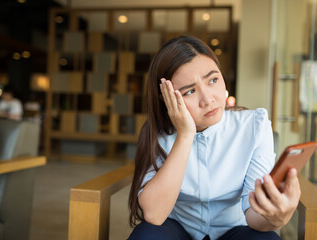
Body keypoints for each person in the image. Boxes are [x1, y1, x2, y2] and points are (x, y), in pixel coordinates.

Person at [127, 36, 300, 240]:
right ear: (167, 99)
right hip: (178, 228)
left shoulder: (254, 126)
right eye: (189, 91)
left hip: (235, 230)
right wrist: (185, 136)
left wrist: (276, 218)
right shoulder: (158, 132)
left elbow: (254, 215)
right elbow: (154, 215)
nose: (208, 99)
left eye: (213, 80)